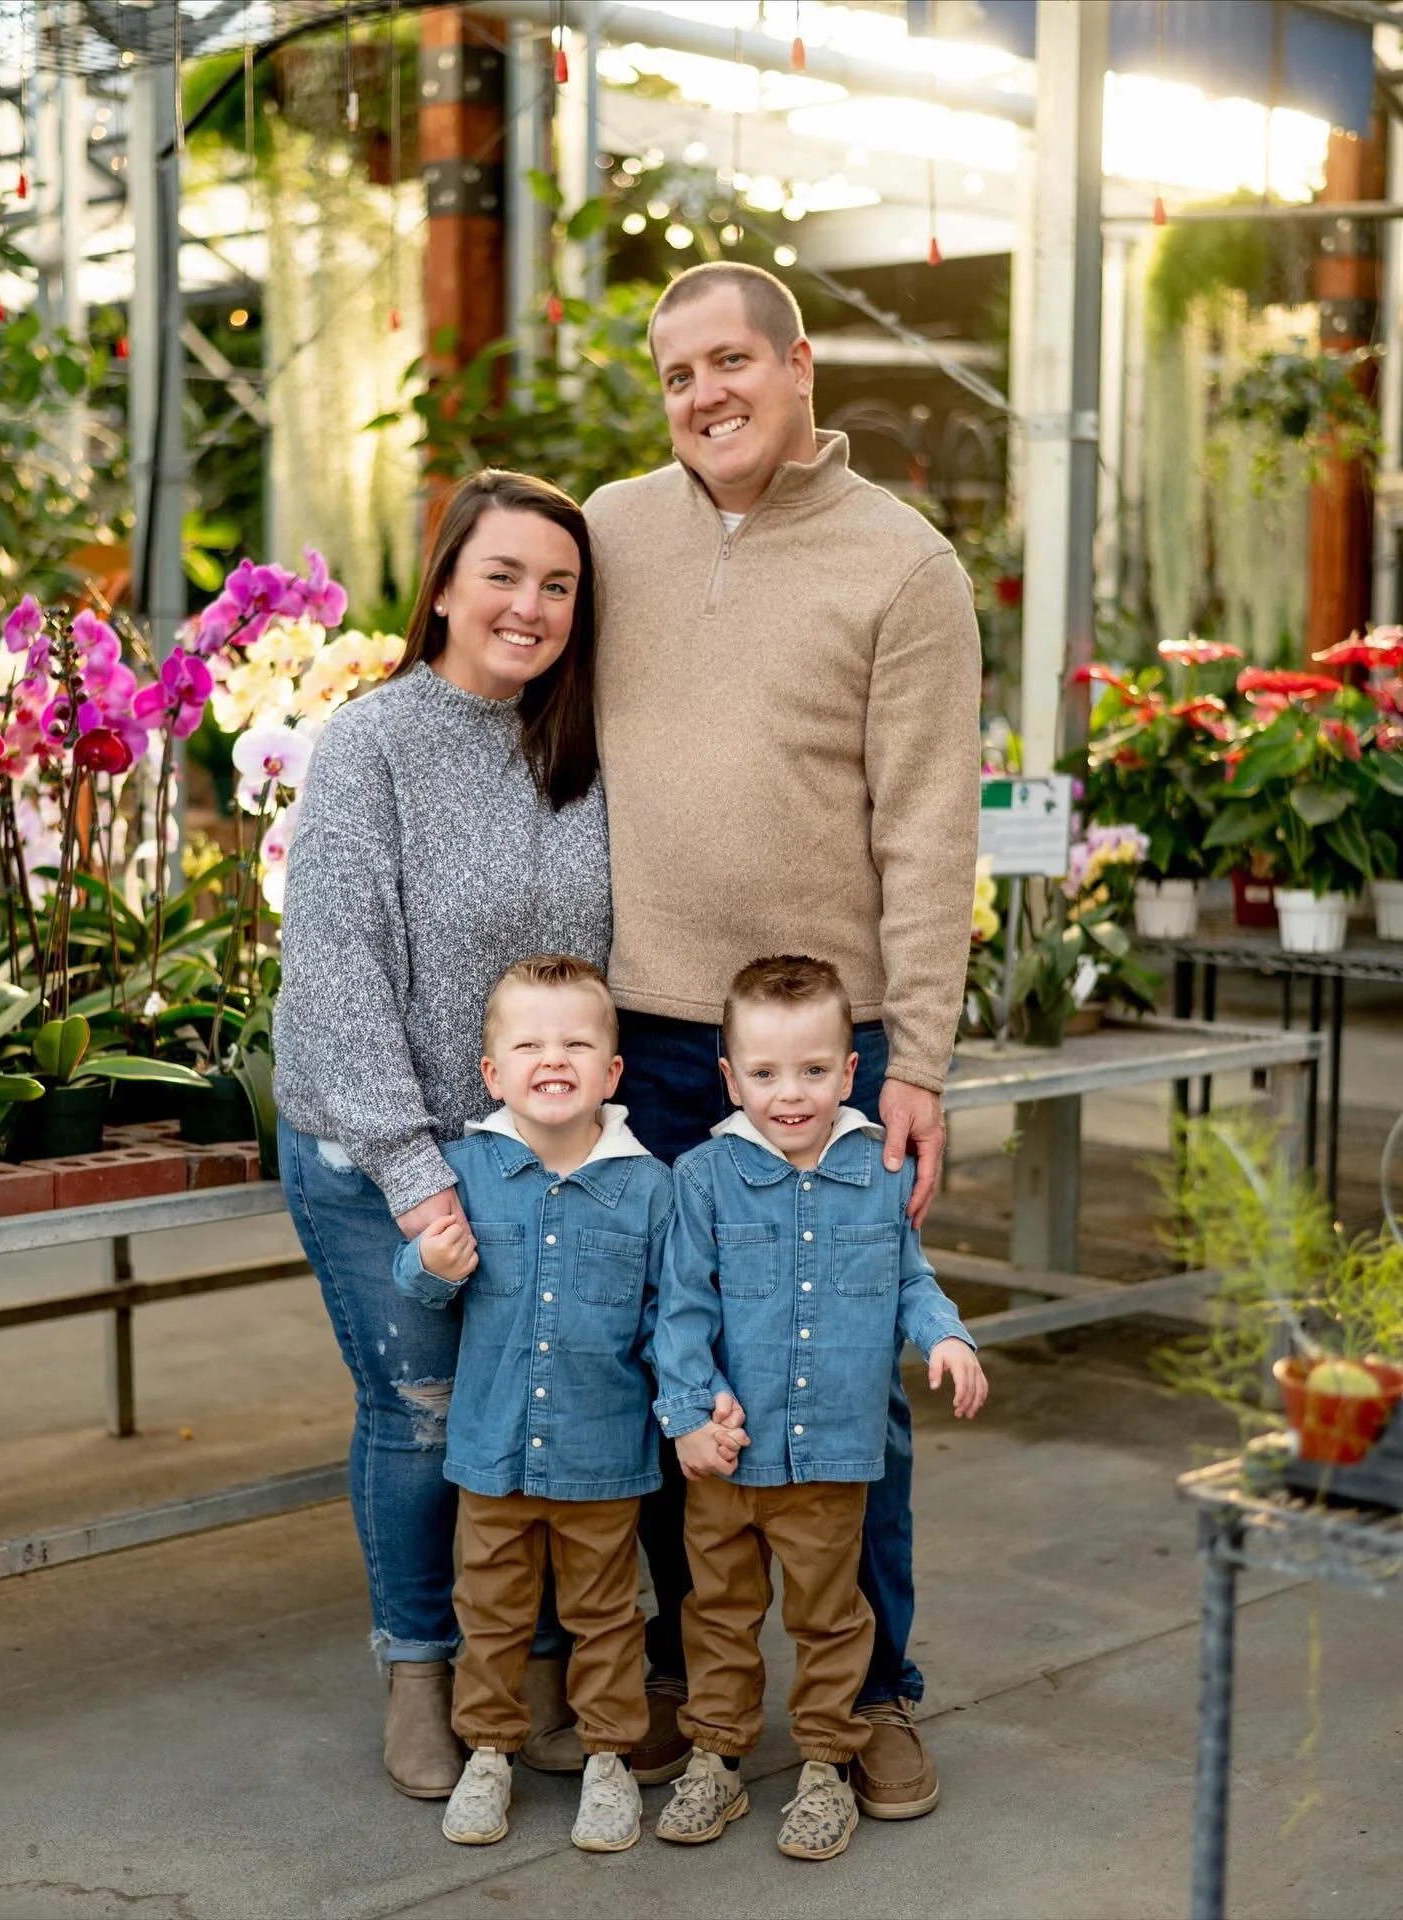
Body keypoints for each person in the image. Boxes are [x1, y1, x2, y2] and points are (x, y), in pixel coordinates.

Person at [584, 262, 983, 1811]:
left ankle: (871, 1694)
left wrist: (926, 1063)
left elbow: (933, 832)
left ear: (798, 361)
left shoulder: (904, 566)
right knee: (668, 1369)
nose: (705, 396)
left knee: (836, 1381)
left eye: (731, 359)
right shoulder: (615, 530)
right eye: (678, 374)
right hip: (641, 1039)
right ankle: (686, 1684)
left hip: (831, 1052)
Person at [273, 471, 612, 1802]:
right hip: (380, 1151)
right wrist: (420, 1181)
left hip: (537, 1158)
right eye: (504, 575)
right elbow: (339, 975)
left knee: (530, 1409)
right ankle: (420, 1666)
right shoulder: (373, 742)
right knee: (420, 1414)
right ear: (446, 584)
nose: (528, 606)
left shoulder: (578, 749)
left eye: (558, 585)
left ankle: (522, 1664)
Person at [650, 956, 987, 1862]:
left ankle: (826, 1767)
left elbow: (911, 1280)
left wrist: (948, 1337)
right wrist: (686, 1413)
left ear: (849, 1071)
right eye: (763, 1073)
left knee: (830, 1619)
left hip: (834, 1460)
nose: (787, 1095)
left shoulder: (877, 1172)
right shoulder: (704, 1177)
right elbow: (678, 1308)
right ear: (730, 1076)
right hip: (727, 1455)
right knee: (716, 1614)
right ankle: (715, 1756)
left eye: (810, 1071)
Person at [392, 956, 683, 1853]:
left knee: (605, 1615)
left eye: (576, 1043)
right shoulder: (470, 1171)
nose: (551, 1059)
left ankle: (606, 1757)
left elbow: (673, 1317)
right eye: (528, 1044)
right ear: (492, 1073)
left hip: (603, 1457)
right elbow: (422, 1282)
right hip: (492, 1453)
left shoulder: (649, 1188)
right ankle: (488, 1749)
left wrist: (693, 1407)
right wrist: (427, 1267)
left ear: (612, 1072)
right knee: (492, 1612)